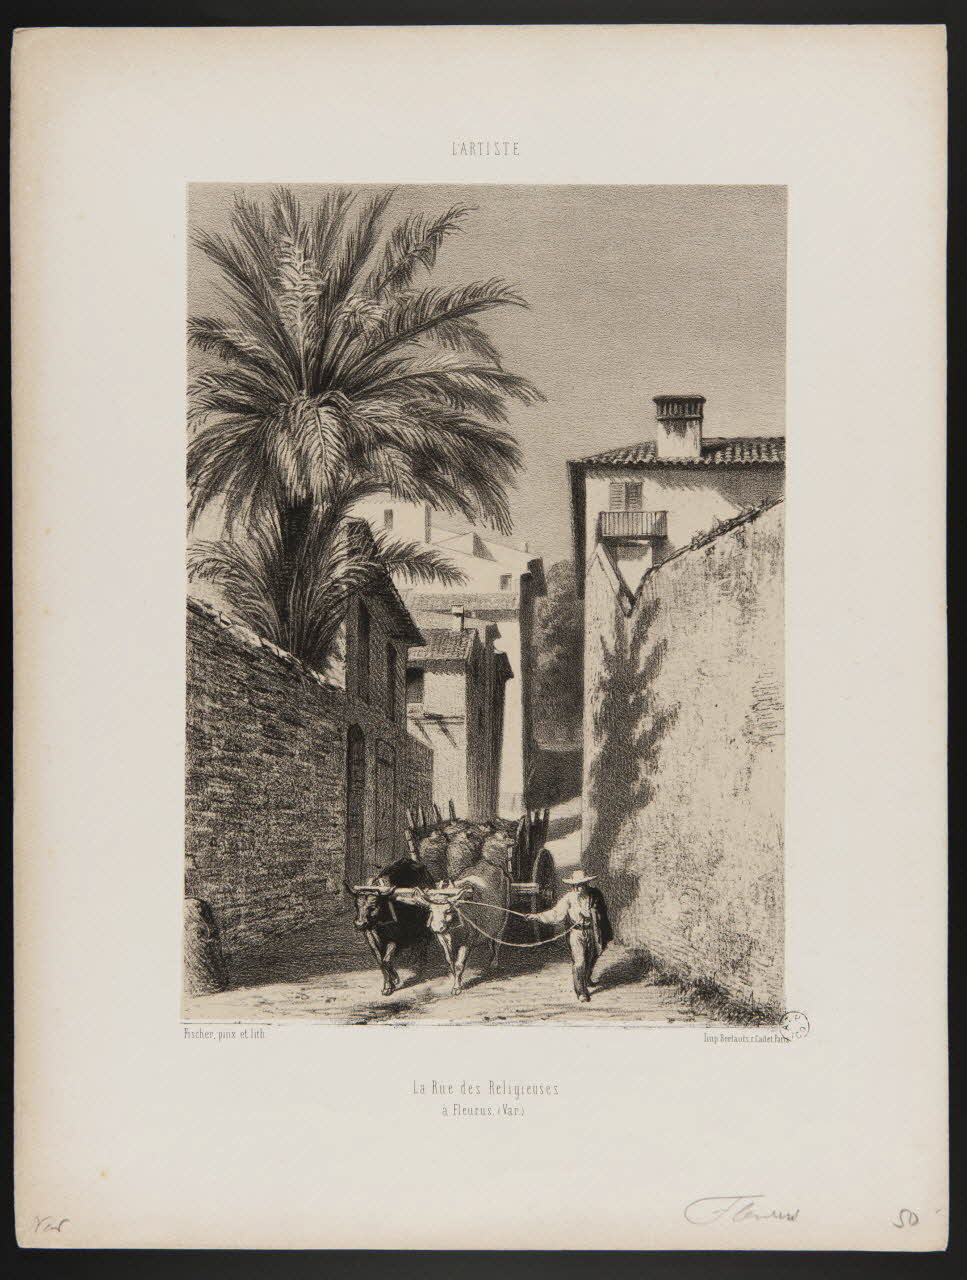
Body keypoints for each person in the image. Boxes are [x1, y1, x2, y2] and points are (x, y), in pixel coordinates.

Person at [525, 870, 613, 1002]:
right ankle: (581, 991)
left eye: (581, 885)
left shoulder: (595, 895)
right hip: (576, 933)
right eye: (575, 885)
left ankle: (586, 977)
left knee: (592, 957)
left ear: (586, 884)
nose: (578, 888)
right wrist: (537, 916)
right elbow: (556, 914)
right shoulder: (569, 898)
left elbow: (602, 913)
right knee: (579, 962)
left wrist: (595, 918)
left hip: (592, 931)